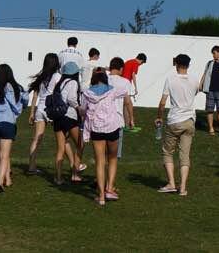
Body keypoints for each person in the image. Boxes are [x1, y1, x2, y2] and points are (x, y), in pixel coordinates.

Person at [80, 66, 131, 205]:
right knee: (113, 158)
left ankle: (101, 195)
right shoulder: (112, 90)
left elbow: (83, 110)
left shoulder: (87, 93)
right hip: (112, 127)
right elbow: (125, 92)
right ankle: (109, 188)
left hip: (96, 128)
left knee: (100, 162)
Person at [155, 53, 200, 195]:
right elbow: (195, 92)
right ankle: (183, 187)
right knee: (184, 155)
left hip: (175, 119)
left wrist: (159, 117)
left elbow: (163, 102)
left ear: (177, 64)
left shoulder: (171, 78)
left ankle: (171, 183)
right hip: (190, 120)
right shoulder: (194, 79)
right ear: (188, 64)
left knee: (168, 152)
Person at [46, 61, 86, 185]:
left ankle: (58, 178)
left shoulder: (60, 83)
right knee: (80, 144)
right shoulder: (73, 82)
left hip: (58, 117)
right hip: (69, 116)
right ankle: (75, 173)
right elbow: (71, 99)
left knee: (60, 148)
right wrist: (79, 108)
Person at [0, 63, 25, 191]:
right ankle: (0, 182)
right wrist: (20, 109)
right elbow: (15, 104)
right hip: (7, 123)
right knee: (5, 155)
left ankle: (7, 179)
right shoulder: (9, 87)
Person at [25, 52, 61, 174]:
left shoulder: (41, 77)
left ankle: (31, 166)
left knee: (36, 139)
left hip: (40, 108)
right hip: (52, 108)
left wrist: (32, 113)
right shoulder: (57, 76)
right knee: (62, 140)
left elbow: (35, 95)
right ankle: (71, 166)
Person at [200, 46, 219, 134]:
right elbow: (204, 74)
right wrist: (201, 84)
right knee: (210, 109)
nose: (213, 55)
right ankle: (211, 128)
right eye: (213, 53)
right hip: (210, 90)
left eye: (214, 53)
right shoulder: (209, 63)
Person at [122, 53, 146, 132]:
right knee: (129, 104)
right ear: (141, 60)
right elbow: (133, 75)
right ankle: (130, 124)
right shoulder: (135, 63)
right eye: (142, 63)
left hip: (122, 82)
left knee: (125, 105)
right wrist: (135, 87)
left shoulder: (129, 61)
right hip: (126, 83)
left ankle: (127, 125)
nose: (140, 65)